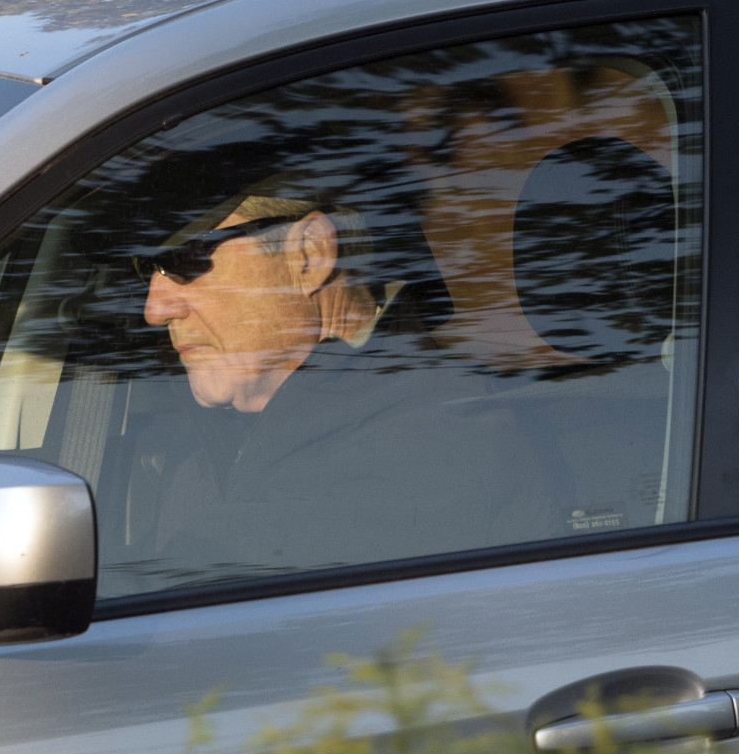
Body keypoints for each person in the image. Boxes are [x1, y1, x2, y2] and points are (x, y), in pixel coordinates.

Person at [131, 189, 547, 580]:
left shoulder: (440, 450)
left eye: (185, 258)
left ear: (310, 254)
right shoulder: (198, 449)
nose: (155, 309)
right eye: (147, 268)